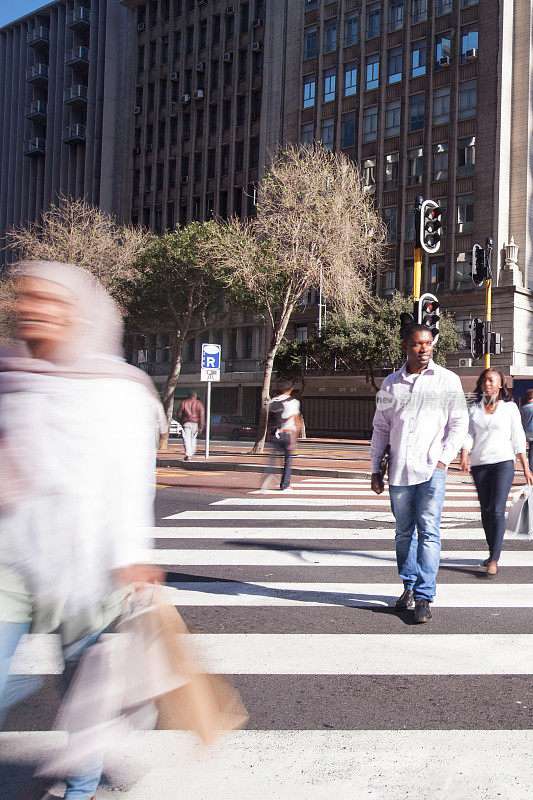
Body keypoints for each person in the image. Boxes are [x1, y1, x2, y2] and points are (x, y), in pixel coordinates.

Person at [0, 261, 164, 800]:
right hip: (12, 551)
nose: (32, 309)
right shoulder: (10, 376)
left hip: (89, 556)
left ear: (79, 313)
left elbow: (130, 479)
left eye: (49, 301)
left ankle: (82, 787)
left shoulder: (118, 389)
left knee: (85, 687)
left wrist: (133, 553)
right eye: (24, 298)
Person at [370, 323, 468, 623]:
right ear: (405, 346)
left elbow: (458, 424)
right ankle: (409, 587)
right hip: (399, 470)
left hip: (432, 470)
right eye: (416, 344)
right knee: (403, 533)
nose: (423, 349)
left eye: (428, 343)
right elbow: (381, 428)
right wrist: (375, 468)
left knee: (429, 532)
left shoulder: (447, 380)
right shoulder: (390, 384)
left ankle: (425, 596)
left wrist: (442, 461)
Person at [460, 369, 533, 576]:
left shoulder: (509, 409)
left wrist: (526, 467)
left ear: (501, 384)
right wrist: (464, 455)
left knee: (497, 510)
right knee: (485, 510)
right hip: (480, 464)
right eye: (484, 380)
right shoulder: (474, 409)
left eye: (492, 380)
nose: (487, 383)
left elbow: (518, 437)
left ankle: (494, 558)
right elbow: (468, 433)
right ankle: (492, 549)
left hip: (503, 463)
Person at [262, 383, 301, 491]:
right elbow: (296, 420)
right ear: (290, 389)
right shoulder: (293, 402)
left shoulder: (272, 401)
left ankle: (268, 475)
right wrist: (294, 438)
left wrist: (269, 433)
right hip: (287, 433)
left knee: (273, 458)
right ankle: (285, 484)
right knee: (288, 459)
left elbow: (269, 419)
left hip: (275, 433)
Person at [176, 389, 205, 461]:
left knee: (186, 439)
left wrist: (181, 422)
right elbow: (202, 416)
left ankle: (188, 454)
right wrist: (201, 427)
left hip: (186, 422)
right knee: (193, 438)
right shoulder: (199, 404)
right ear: (195, 395)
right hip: (195, 423)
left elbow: (179, 414)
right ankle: (191, 453)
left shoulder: (184, 403)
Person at [520, 388, 533, 470]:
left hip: (528, 431)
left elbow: (522, 419)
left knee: (531, 450)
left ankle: (531, 468)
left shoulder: (524, 407)